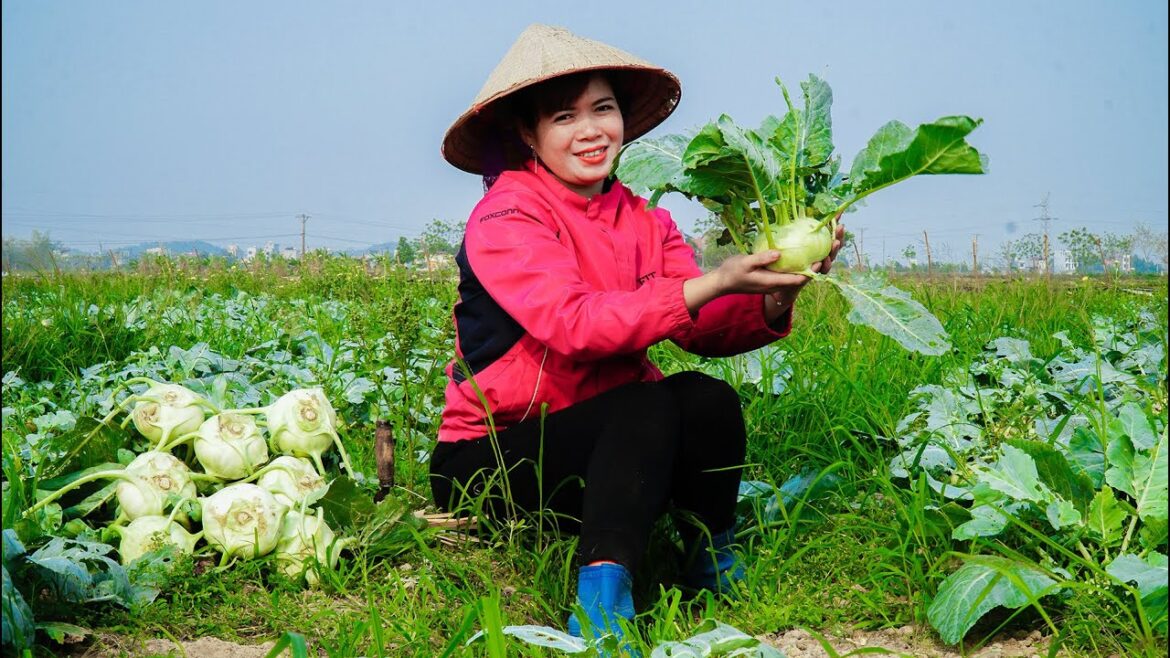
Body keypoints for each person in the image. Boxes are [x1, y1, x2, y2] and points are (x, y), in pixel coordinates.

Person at [430, 24, 843, 648]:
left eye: (603, 109)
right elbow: (575, 326)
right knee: (644, 402)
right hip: (496, 459)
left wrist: (776, 290)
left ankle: (710, 561)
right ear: (527, 134)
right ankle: (602, 603)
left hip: (618, 449)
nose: (591, 130)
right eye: (565, 116)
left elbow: (701, 328)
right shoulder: (508, 214)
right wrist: (718, 278)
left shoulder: (646, 219)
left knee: (707, 398)